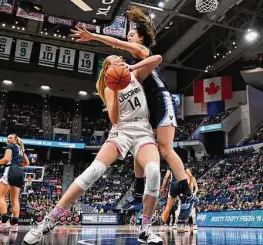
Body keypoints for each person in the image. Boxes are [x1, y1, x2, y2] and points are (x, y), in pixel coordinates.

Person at [24, 54, 164, 244]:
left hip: (143, 130)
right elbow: (114, 119)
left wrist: (131, 67)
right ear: (108, 67)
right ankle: (48, 221)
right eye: (116, 58)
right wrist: (114, 90)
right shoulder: (108, 88)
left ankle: (145, 229)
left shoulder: (135, 74)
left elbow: (157, 58)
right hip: (121, 131)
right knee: (94, 170)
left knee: (154, 172)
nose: (121, 57)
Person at [71, 6, 193, 207]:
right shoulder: (133, 61)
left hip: (162, 100)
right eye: (128, 35)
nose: (128, 38)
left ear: (141, 38)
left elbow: (122, 45)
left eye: (132, 34)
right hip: (151, 106)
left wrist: (93, 36)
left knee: (165, 148)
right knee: (141, 143)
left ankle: (187, 192)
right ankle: (138, 192)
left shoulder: (143, 52)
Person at [0, 134, 29, 232]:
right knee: (15, 200)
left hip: (10, 170)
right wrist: (17, 165)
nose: (8, 139)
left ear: (16, 139)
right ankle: (15, 226)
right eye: (8, 138)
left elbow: (6, 159)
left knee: (0, 196)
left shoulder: (10, 146)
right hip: (20, 172)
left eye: (11, 138)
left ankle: (4, 223)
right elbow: (27, 163)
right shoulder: (21, 148)